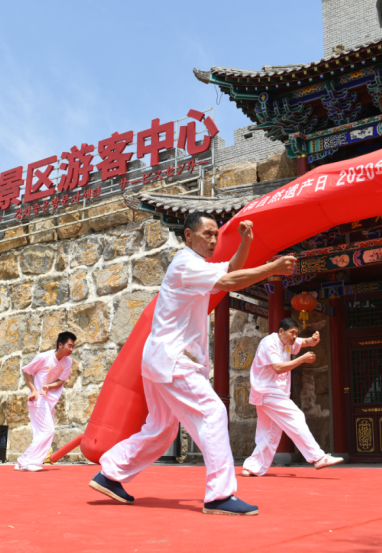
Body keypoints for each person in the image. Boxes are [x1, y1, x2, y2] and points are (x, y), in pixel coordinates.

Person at [90, 211, 296, 516]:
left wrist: (245, 242)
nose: (213, 240)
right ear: (188, 236)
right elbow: (229, 280)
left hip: (161, 358)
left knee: (161, 430)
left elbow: (229, 270)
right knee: (213, 412)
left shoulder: (196, 266)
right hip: (174, 360)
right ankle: (219, 495)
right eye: (207, 234)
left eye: (216, 235)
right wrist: (273, 267)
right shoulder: (185, 264)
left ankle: (110, 474)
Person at [242, 318, 343, 477]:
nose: (295, 337)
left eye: (297, 333)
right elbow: (278, 368)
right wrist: (302, 359)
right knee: (295, 416)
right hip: (267, 391)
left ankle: (252, 467)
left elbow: (302, 342)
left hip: (272, 392)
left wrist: (312, 340)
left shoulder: (287, 342)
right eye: (292, 333)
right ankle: (318, 457)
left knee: (270, 432)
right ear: (281, 331)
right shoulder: (269, 343)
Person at [15, 331, 76, 472]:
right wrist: (34, 390)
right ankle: (28, 461)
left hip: (50, 402)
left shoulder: (68, 361)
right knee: (48, 431)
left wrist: (48, 386)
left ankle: (23, 461)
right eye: (69, 346)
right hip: (37, 399)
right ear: (60, 345)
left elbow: (61, 381)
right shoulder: (44, 357)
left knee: (41, 433)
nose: (71, 349)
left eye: (73, 347)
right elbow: (28, 372)